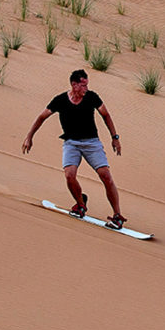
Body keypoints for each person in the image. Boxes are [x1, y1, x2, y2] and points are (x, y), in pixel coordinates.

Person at [22, 69, 127, 229]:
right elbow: (41, 117)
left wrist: (115, 137)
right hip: (71, 143)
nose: (86, 88)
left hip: (92, 143)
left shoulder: (92, 97)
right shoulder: (60, 100)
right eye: (83, 85)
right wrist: (29, 136)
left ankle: (117, 215)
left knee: (105, 176)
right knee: (69, 176)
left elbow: (106, 115)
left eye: (87, 85)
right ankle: (80, 204)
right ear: (74, 84)